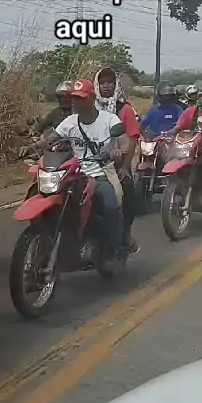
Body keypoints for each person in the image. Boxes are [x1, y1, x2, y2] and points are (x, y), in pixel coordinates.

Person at [45, 78, 125, 270]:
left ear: (91, 98)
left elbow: (124, 140)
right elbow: (52, 138)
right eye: (74, 98)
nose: (76, 102)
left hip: (101, 172)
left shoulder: (109, 119)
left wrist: (118, 150)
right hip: (73, 172)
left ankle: (111, 251)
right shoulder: (69, 122)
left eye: (81, 98)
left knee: (111, 206)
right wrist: (34, 145)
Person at [94, 67, 140, 253]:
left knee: (126, 189)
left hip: (118, 160)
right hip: (90, 160)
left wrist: (124, 165)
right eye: (102, 83)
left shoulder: (124, 109)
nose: (106, 86)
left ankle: (126, 233)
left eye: (110, 82)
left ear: (116, 85)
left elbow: (133, 139)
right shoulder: (90, 108)